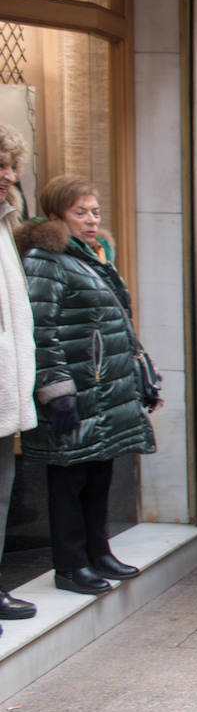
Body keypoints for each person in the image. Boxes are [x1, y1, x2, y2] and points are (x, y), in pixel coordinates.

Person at [18, 176, 155, 594]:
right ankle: (71, 565)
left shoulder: (94, 256)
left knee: (99, 472)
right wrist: (56, 390)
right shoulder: (48, 258)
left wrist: (138, 371)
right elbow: (42, 327)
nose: (92, 220)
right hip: (76, 390)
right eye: (81, 212)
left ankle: (99, 551)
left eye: (95, 211)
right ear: (58, 214)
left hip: (105, 389)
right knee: (68, 478)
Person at [0, 125, 37, 624]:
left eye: (10, 165)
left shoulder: (7, 225)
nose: (8, 175)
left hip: (6, 384)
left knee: (2, 488)